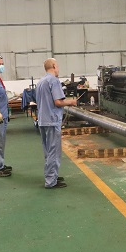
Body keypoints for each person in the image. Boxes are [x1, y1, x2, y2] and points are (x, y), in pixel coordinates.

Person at [36, 58, 77, 189]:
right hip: (52, 120)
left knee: (48, 151)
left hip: (43, 120)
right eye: (57, 66)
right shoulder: (53, 80)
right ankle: (51, 181)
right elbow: (58, 102)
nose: (58, 69)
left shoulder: (41, 81)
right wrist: (71, 102)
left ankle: (51, 175)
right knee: (54, 151)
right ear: (54, 66)